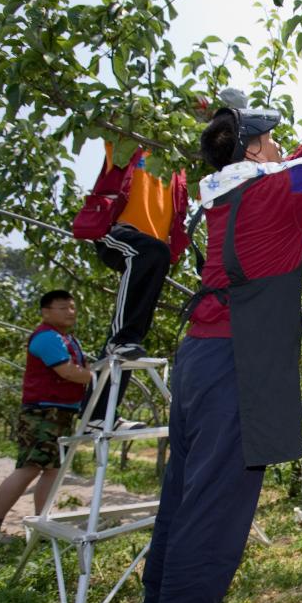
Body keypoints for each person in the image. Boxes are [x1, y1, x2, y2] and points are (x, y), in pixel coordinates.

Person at [131, 69, 302, 603]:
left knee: (185, 492)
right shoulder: (275, 192)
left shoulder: (227, 191)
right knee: (217, 502)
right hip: (236, 364)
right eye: (268, 140)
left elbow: (298, 159)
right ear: (251, 149)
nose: (277, 146)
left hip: (200, 357)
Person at [84, 140, 190, 431]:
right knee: (125, 334)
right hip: (117, 230)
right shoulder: (131, 144)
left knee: (133, 332)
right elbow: (115, 118)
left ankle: (99, 415)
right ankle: (120, 341)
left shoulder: (179, 166)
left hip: (152, 249)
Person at [0, 290, 91, 542]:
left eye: (72, 307)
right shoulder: (47, 338)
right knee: (29, 467)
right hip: (43, 412)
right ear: (46, 311)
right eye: (63, 307)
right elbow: (69, 372)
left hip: (60, 411)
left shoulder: (66, 338)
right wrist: (95, 376)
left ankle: (43, 525)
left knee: (51, 469)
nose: (70, 312)